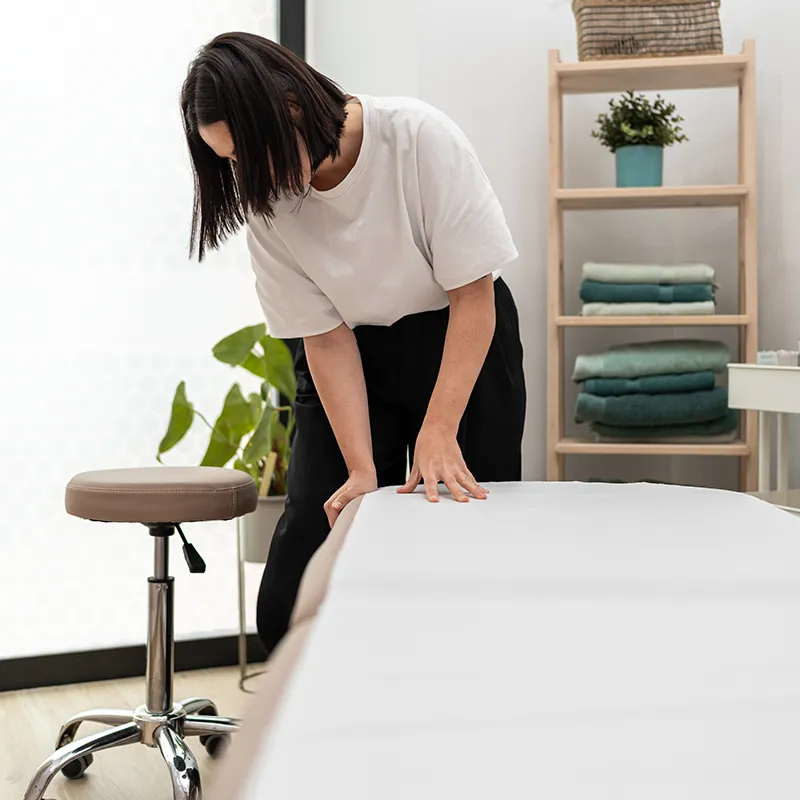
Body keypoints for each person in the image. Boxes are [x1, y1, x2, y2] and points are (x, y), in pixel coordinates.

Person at [180, 32, 526, 657]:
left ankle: (462, 682)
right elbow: (325, 338)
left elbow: (474, 297)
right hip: (351, 356)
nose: (245, 176)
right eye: (229, 162)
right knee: (304, 563)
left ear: (289, 106)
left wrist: (439, 428)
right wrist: (362, 469)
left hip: (459, 338)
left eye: (249, 153)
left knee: (469, 539)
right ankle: (327, 695)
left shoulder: (417, 137)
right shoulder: (266, 205)